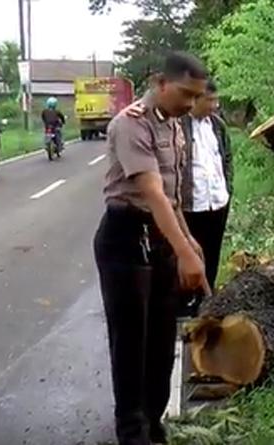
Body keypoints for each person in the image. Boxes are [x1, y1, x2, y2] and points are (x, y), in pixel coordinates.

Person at [93, 51, 209, 445]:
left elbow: (172, 199)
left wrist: (188, 241)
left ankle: (154, 423)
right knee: (131, 344)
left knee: (161, 340)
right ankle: (132, 433)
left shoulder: (173, 125)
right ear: (160, 83)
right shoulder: (131, 124)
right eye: (186, 93)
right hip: (125, 238)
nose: (191, 103)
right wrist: (186, 254)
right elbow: (153, 193)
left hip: (160, 238)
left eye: (197, 96)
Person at [179, 80, 232, 290]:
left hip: (218, 202)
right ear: (195, 99)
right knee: (190, 257)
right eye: (210, 100)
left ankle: (208, 299)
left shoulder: (218, 126)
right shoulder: (178, 125)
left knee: (212, 255)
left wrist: (228, 189)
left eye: (216, 100)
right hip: (191, 206)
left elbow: (226, 159)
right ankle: (188, 299)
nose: (215, 105)